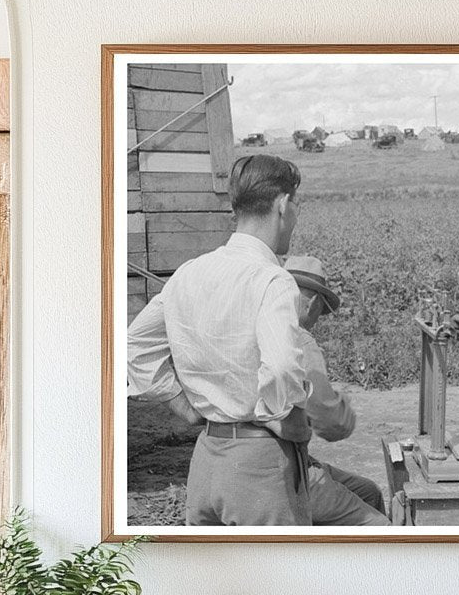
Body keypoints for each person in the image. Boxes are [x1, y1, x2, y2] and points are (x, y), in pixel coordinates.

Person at [127, 154, 313, 526]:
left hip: (206, 460)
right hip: (259, 464)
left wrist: (185, 406)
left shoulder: (188, 274)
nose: (294, 216)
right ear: (282, 205)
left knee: (213, 578)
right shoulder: (272, 280)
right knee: (282, 579)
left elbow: (135, 345)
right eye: (296, 205)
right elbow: (280, 366)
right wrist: (282, 420)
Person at [283, 255, 389, 526]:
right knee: (380, 528)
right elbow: (331, 424)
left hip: (281, 457)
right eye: (322, 309)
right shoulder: (302, 340)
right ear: (315, 303)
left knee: (369, 492)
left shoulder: (261, 327)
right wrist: (343, 410)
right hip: (287, 468)